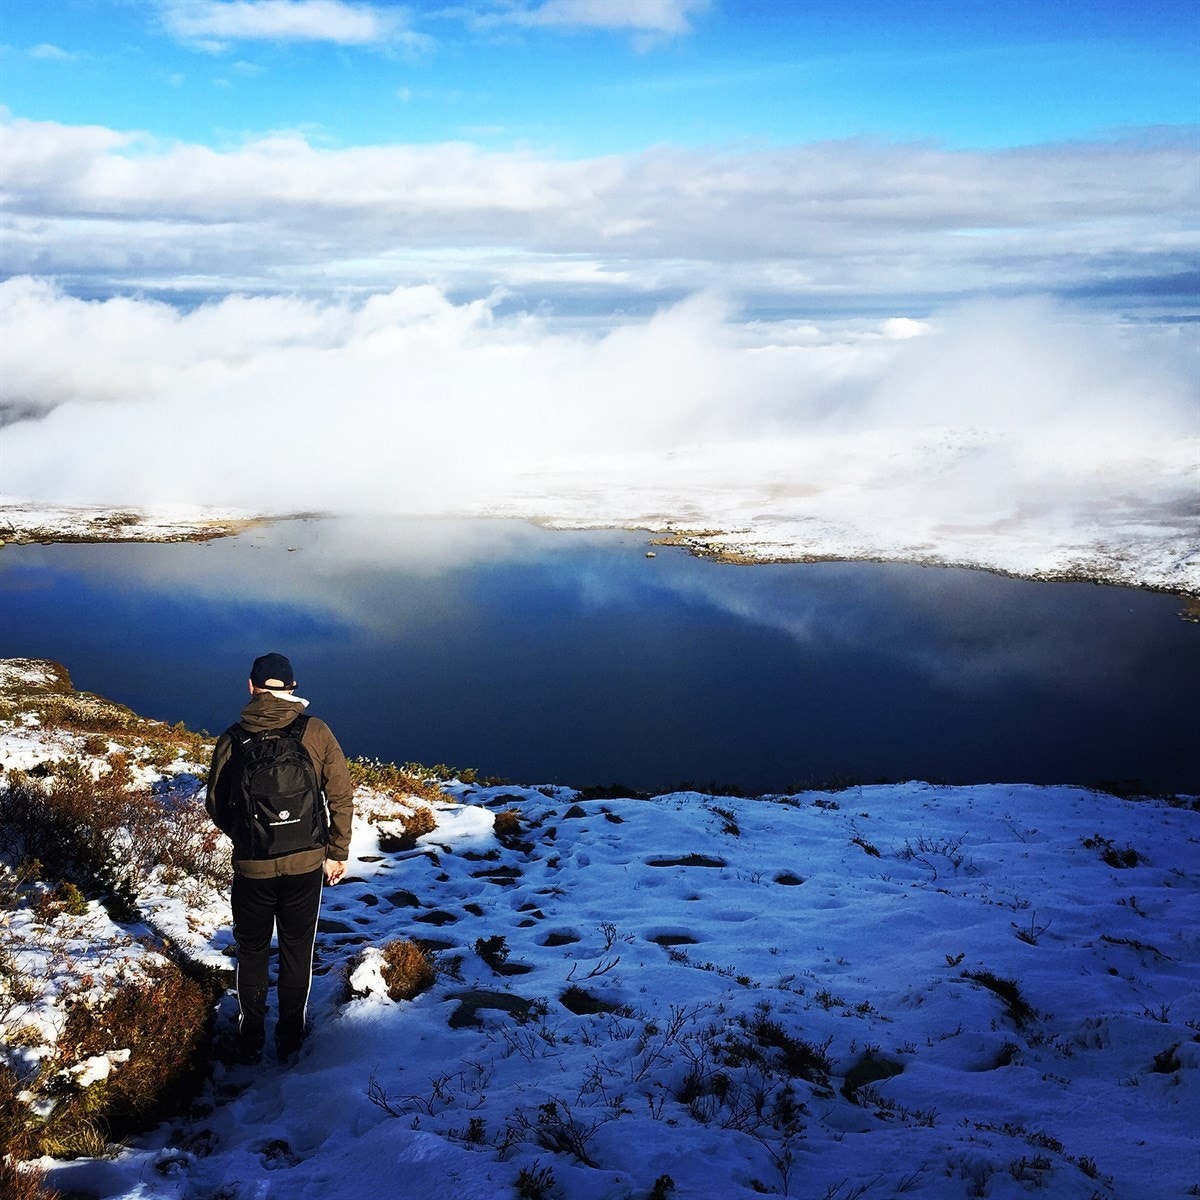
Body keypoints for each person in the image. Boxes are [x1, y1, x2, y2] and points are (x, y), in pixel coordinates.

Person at [206, 652, 354, 1064]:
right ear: (292, 688)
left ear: (251, 686)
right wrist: (336, 851)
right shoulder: (316, 731)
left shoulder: (233, 737)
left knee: (252, 950)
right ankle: (290, 1038)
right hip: (306, 862)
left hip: (252, 867)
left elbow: (216, 803)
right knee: (295, 948)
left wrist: (250, 837)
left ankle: (250, 1038)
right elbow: (339, 794)